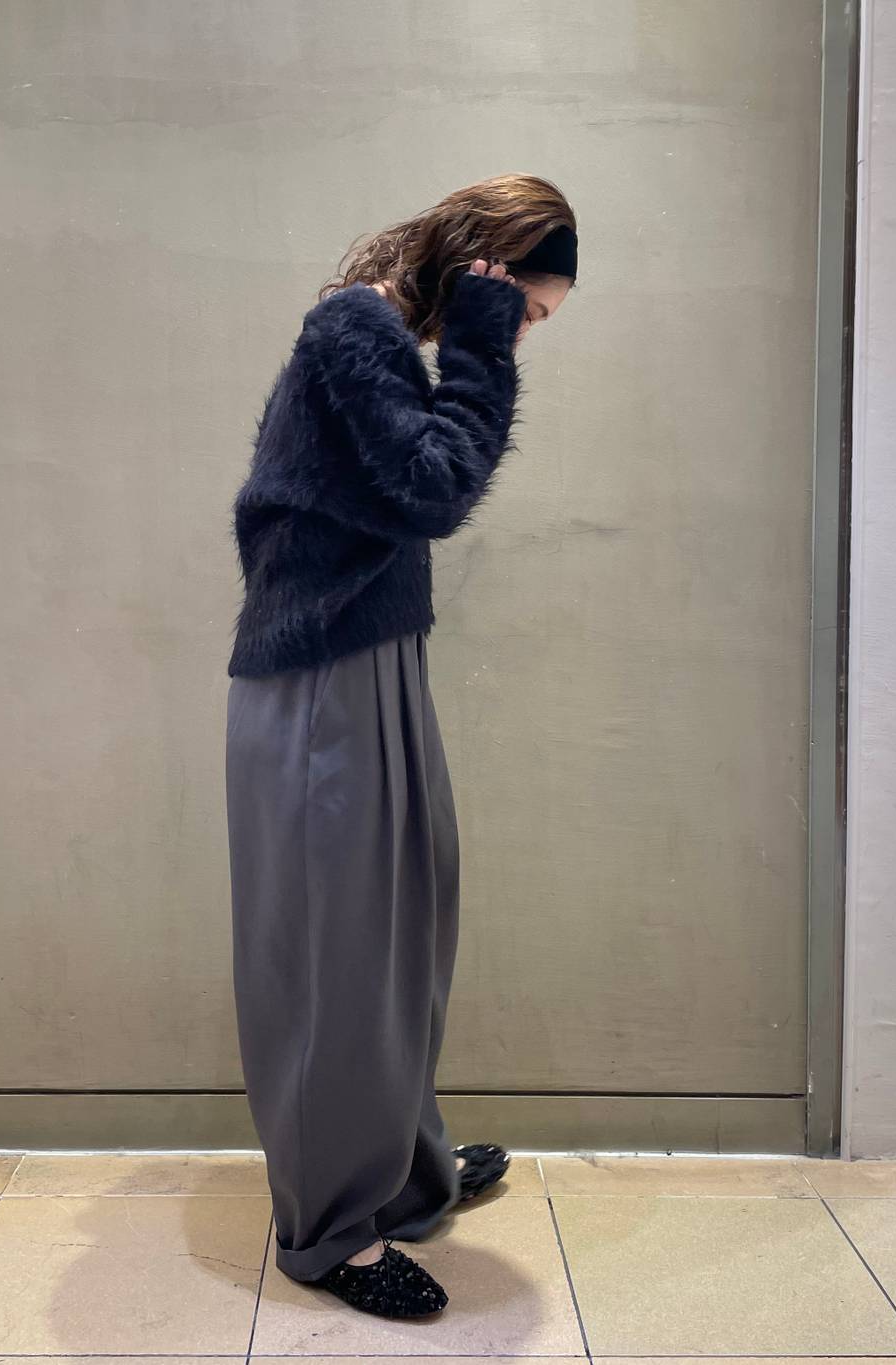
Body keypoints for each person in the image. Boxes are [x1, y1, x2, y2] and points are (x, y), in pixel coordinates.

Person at [225, 173, 577, 1318]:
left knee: (402, 936)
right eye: (526, 310)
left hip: (368, 661)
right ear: (488, 273)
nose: (521, 335)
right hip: (322, 678)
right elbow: (433, 490)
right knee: (339, 961)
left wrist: (476, 334)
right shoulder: (354, 327)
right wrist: (481, 342)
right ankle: (333, 1232)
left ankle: (404, 1172)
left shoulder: (373, 338)